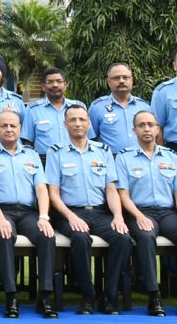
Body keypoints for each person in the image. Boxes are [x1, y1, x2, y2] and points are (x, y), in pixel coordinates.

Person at [44, 103, 131, 315]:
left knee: (123, 237)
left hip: (100, 212)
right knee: (81, 238)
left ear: (89, 123)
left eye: (82, 119)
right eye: (72, 120)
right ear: (65, 124)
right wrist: (71, 217)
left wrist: (118, 216)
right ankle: (87, 296)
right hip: (69, 212)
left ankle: (109, 296)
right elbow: (53, 194)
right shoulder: (56, 152)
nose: (78, 124)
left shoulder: (103, 151)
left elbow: (111, 189)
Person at [115, 110, 177, 317]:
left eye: (150, 125)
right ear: (134, 130)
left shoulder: (171, 157)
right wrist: (138, 216)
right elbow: (123, 195)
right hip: (139, 212)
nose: (146, 129)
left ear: (157, 129)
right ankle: (154, 295)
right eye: (141, 125)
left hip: (168, 213)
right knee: (145, 237)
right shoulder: (124, 158)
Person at [0, 110, 57, 319]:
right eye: (4, 126)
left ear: (20, 129)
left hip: (29, 212)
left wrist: (44, 217)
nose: (9, 129)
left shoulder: (32, 155)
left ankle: (46, 296)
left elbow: (41, 188)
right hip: (1, 211)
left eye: (13, 126)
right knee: (4, 236)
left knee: (47, 236)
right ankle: (11, 296)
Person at [88, 63, 152, 154]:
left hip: (141, 158)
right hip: (111, 160)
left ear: (132, 81)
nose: (121, 81)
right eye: (116, 78)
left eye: (125, 77)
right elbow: (91, 138)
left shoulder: (144, 107)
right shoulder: (97, 107)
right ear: (109, 82)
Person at [21, 67, 85, 157]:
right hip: (45, 161)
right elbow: (28, 142)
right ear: (43, 87)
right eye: (50, 82)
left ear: (65, 85)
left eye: (59, 81)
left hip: (75, 157)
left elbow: (88, 137)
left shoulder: (79, 107)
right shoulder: (32, 110)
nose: (55, 85)